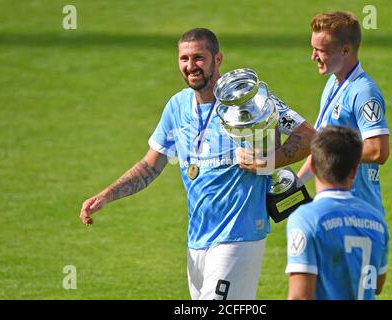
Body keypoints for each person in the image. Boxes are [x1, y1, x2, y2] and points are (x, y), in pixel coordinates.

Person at [79, 28, 315, 300]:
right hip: (197, 241)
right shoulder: (177, 107)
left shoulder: (250, 102)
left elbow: (309, 136)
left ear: (218, 59)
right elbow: (150, 166)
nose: (191, 66)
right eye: (184, 59)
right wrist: (108, 194)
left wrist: (268, 160)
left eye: (199, 58)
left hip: (239, 235)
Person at [297, 11, 390, 217]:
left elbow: (378, 151)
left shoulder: (364, 92)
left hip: (359, 210)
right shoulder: (333, 83)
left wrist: (332, 154)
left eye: (320, 50)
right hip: (334, 207)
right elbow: (322, 144)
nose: (313, 56)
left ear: (345, 50)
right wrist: (296, 183)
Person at [286, 126, 389, 300]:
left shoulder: (306, 219)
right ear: (355, 171)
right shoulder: (376, 220)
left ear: (311, 166)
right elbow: (377, 285)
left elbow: (300, 296)